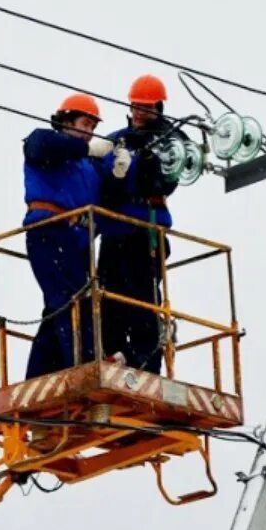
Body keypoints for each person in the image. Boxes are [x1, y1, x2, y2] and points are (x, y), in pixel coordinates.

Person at [22, 93, 129, 378]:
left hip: (75, 239)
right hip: (48, 230)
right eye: (85, 124)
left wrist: (118, 175)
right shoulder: (45, 142)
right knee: (72, 298)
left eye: (93, 128)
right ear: (66, 121)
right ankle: (86, 362)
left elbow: (107, 200)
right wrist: (87, 149)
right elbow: (40, 147)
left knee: (61, 304)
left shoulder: (87, 168)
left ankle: (38, 372)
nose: (89, 133)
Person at [97, 75, 185, 374]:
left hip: (144, 228)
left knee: (143, 299)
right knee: (106, 294)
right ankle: (112, 353)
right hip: (114, 229)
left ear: (158, 108)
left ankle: (145, 361)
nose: (138, 113)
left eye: (145, 108)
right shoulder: (118, 139)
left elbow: (168, 180)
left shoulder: (171, 142)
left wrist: (144, 161)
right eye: (135, 107)